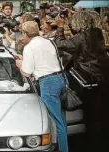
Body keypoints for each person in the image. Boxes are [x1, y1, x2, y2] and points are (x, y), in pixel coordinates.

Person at [55, 11, 109, 151]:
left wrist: (60, 27)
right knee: (99, 112)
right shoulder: (97, 34)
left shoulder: (80, 37)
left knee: (89, 115)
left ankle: (90, 144)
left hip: (85, 79)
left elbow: (60, 44)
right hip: (101, 77)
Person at [15, 21, 68, 152]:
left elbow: (27, 72)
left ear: (25, 34)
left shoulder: (29, 47)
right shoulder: (49, 41)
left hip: (48, 83)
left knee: (57, 122)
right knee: (61, 119)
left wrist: (20, 63)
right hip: (60, 79)